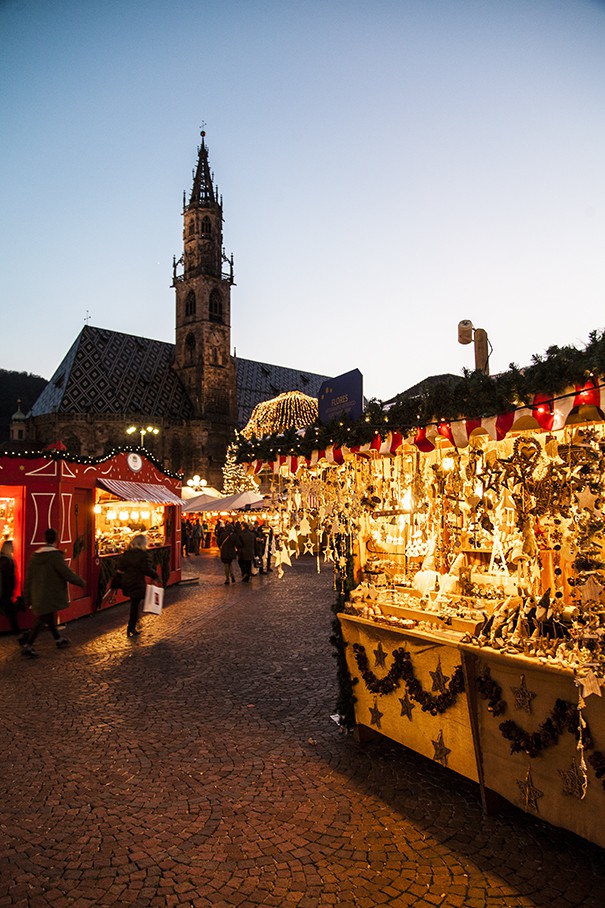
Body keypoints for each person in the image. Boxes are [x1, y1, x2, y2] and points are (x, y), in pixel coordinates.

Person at [21, 528, 85, 658]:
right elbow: (66, 573)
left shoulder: (35, 556)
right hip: (50, 593)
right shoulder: (55, 556)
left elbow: (28, 578)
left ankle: (58, 639)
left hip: (38, 593)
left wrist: (27, 597)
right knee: (42, 619)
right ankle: (28, 645)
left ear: (44, 539)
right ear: (56, 539)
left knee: (48, 617)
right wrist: (81, 582)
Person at [116, 534, 160, 638]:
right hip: (137, 582)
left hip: (127, 581)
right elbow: (146, 569)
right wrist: (155, 576)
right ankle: (132, 626)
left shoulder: (127, 554)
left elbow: (120, 567)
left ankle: (134, 623)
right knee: (135, 604)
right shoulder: (144, 555)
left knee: (135, 603)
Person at [0, 540, 22, 635]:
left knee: (9, 611)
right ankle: (17, 631)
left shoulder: (3, 559)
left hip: (3, 590)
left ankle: (17, 631)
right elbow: (9, 578)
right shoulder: (7, 560)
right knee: (11, 612)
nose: (13, 548)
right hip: (5, 591)